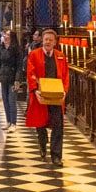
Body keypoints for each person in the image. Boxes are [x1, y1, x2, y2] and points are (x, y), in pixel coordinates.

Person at [25, 27, 69, 166]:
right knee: (41, 124)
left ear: (55, 42)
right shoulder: (34, 54)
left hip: (56, 97)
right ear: (42, 41)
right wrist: (35, 90)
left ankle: (56, 156)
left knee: (57, 126)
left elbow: (66, 76)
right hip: (40, 95)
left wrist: (64, 92)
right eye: (45, 39)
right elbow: (30, 73)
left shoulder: (60, 56)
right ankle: (42, 144)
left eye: (50, 40)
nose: (48, 42)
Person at [0, 28, 21, 131]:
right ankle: (8, 121)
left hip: (12, 77)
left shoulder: (16, 49)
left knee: (12, 101)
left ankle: (14, 123)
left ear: (12, 38)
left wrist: (17, 79)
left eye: (8, 35)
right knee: (5, 100)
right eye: (5, 35)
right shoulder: (1, 48)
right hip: (3, 76)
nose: (5, 36)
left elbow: (19, 65)